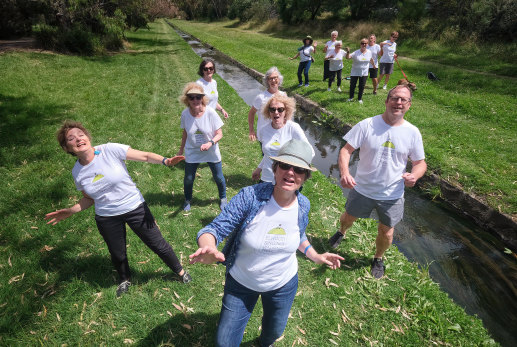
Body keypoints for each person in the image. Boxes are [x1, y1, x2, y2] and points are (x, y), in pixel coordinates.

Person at [189, 139, 344, 347]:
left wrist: (315, 255)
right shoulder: (250, 197)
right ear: (275, 168)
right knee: (224, 343)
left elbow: (298, 235)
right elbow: (214, 229)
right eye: (285, 166)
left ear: (305, 177)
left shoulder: (303, 205)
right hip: (241, 283)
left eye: (298, 169)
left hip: (283, 284)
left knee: (274, 332)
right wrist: (208, 245)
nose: (290, 173)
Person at [45, 121, 191, 297]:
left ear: (88, 137)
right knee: (117, 253)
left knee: (157, 244)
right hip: (106, 217)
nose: (78, 139)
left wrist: (165, 161)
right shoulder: (77, 172)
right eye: (71, 138)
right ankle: (124, 279)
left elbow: (144, 156)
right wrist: (71, 210)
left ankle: (180, 272)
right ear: (66, 148)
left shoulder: (109, 150)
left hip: (135, 207)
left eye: (80, 134)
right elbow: (89, 198)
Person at [328, 85, 427, 279]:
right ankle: (341, 232)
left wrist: (415, 175)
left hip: (392, 194)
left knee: (387, 232)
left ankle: (378, 258)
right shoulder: (367, 125)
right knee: (348, 218)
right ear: (386, 101)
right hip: (362, 188)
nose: (398, 103)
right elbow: (345, 150)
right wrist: (345, 172)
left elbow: (420, 163)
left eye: (403, 100)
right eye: (395, 98)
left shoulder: (412, 132)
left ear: (409, 105)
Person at [177, 82, 227, 212]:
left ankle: (223, 198)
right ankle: (187, 199)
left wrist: (210, 142)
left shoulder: (210, 113)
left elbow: (219, 134)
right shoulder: (185, 114)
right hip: (192, 150)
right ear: (187, 99)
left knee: (218, 177)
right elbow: (185, 133)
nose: (195, 100)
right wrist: (180, 150)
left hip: (211, 149)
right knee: (188, 178)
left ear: (202, 98)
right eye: (191, 97)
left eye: (198, 97)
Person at [251, 94, 314, 182]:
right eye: (272, 109)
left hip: (286, 181)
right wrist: (259, 169)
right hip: (266, 178)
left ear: (286, 111)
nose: (276, 112)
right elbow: (268, 154)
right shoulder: (263, 130)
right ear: (268, 112)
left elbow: (310, 152)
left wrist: (296, 172)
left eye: (280, 109)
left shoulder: (293, 128)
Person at [247, 67, 286, 142]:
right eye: (270, 78)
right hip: (265, 135)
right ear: (267, 81)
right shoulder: (261, 97)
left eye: (275, 78)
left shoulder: (283, 95)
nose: (273, 80)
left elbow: (286, 115)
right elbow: (251, 113)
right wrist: (251, 130)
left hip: (279, 133)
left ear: (279, 79)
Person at [345, 38, 376, 104]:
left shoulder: (369, 52)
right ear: (360, 44)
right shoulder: (356, 52)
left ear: (367, 44)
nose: (364, 44)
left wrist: (373, 65)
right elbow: (348, 57)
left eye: (365, 43)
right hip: (355, 72)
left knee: (362, 86)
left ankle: (359, 99)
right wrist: (348, 52)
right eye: (362, 43)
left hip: (364, 72)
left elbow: (371, 59)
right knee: (352, 85)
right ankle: (351, 97)